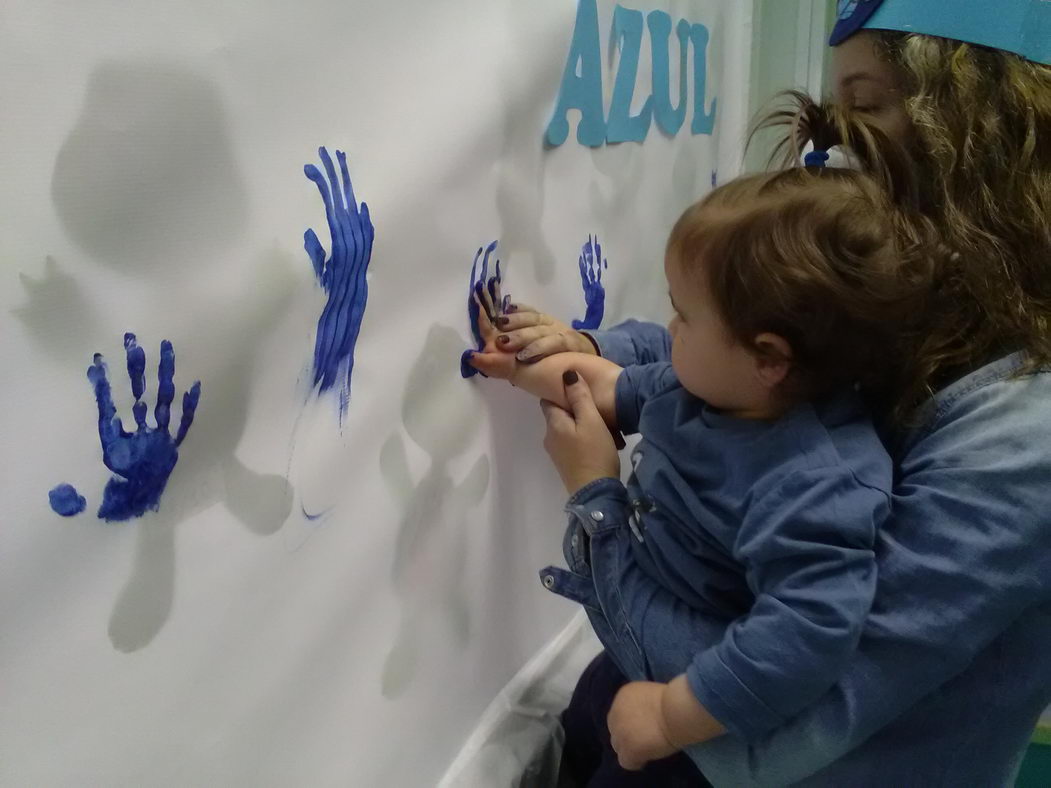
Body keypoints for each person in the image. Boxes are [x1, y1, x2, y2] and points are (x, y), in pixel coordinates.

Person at [488, 0, 1051, 784]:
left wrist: (596, 505)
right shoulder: (922, 295)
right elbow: (751, 341)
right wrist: (596, 353)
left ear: (983, 131)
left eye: (866, 109)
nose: (833, 155)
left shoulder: (1020, 434)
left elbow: (773, 713)